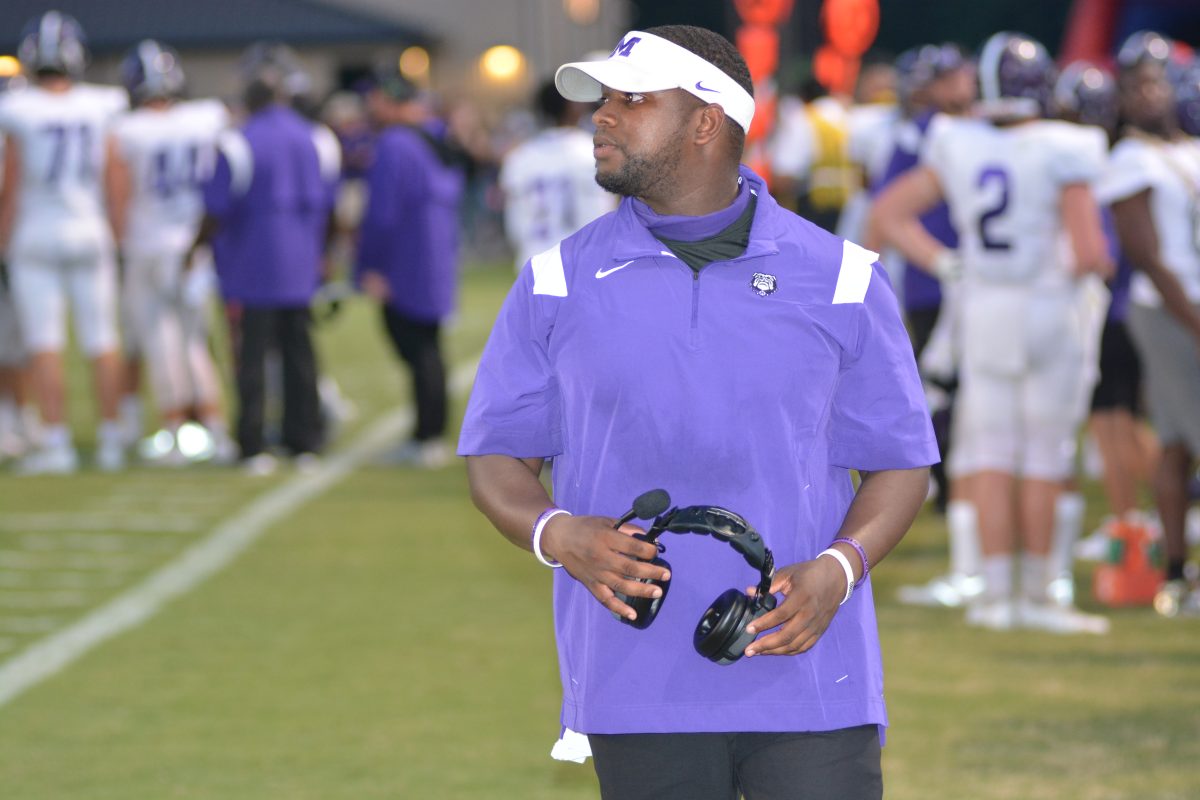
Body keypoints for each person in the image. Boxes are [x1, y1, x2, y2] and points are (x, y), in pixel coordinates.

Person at [460, 25, 936, 799]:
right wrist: (559, 534)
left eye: (633, 100)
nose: (602, 115)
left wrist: (839, 570)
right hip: (632, 681)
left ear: (706, 121)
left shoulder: (843, 277)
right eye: (604, 100)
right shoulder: (555, 280)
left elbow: (901, 461)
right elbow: (496, 453)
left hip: (811, 675)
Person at [873, 32, 1113, 634]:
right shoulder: (1067, 145)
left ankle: (995, 596)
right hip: (1048, 309)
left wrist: (947, 264)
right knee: (1045, 455)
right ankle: (1042, 595)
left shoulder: (958, 142)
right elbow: (1090, 251)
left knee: (990, 454)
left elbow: (888, 213)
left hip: (983, 309)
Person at [191, 43, 340, 475]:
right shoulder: (317, 137)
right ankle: (304, 439)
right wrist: (324, 256)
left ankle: (253, 443)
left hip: (250, 266)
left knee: (252, 358)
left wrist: (193, 249)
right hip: (300, 264)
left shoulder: (237, 141)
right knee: (300, 354)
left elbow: (215, 208)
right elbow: (332, 209)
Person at [0, 10, 129, 474]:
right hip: (89, 230)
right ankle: (112, 439)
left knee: (44, 343)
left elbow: (11, 186)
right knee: (103, 338)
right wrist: (118, 236)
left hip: (36, 233)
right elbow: (115, 176)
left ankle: (56, 442)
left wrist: (2, 240)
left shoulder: (18, 109)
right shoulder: (101, 104)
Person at [1098, 34, 1200, 615]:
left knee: (1177, 444)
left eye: (1156, 83)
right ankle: (1179, 576)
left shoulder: (1188, 147)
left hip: (1190, 306)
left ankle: (1177, 574)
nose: (1148, 95)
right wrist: (1193, 320)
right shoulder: (1129, 157)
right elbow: (1146, 253)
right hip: (1166, 309)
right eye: (1136, 86)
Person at [110, 40, 236, 465]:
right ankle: (215, 430)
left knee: (161, 339)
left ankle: (175, 431)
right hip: (194, 246)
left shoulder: (128, 130)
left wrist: (119, 244)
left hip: (149, 244)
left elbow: (119, 193)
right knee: (196, 341)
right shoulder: (206, 117)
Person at [356, 69, 465, 469]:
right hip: (436, 251)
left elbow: (382, 211)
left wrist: (371, 264)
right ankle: (430, 433)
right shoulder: (435, 136)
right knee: (429, 345)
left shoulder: (395, 142)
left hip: (406, 255)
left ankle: (426, 434)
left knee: (417, 347)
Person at [499, 79, 615, 272]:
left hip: (533, 264)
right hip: (584, 263)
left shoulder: (519, 157)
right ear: (571, 106)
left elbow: (514, 224)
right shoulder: (591, 150)